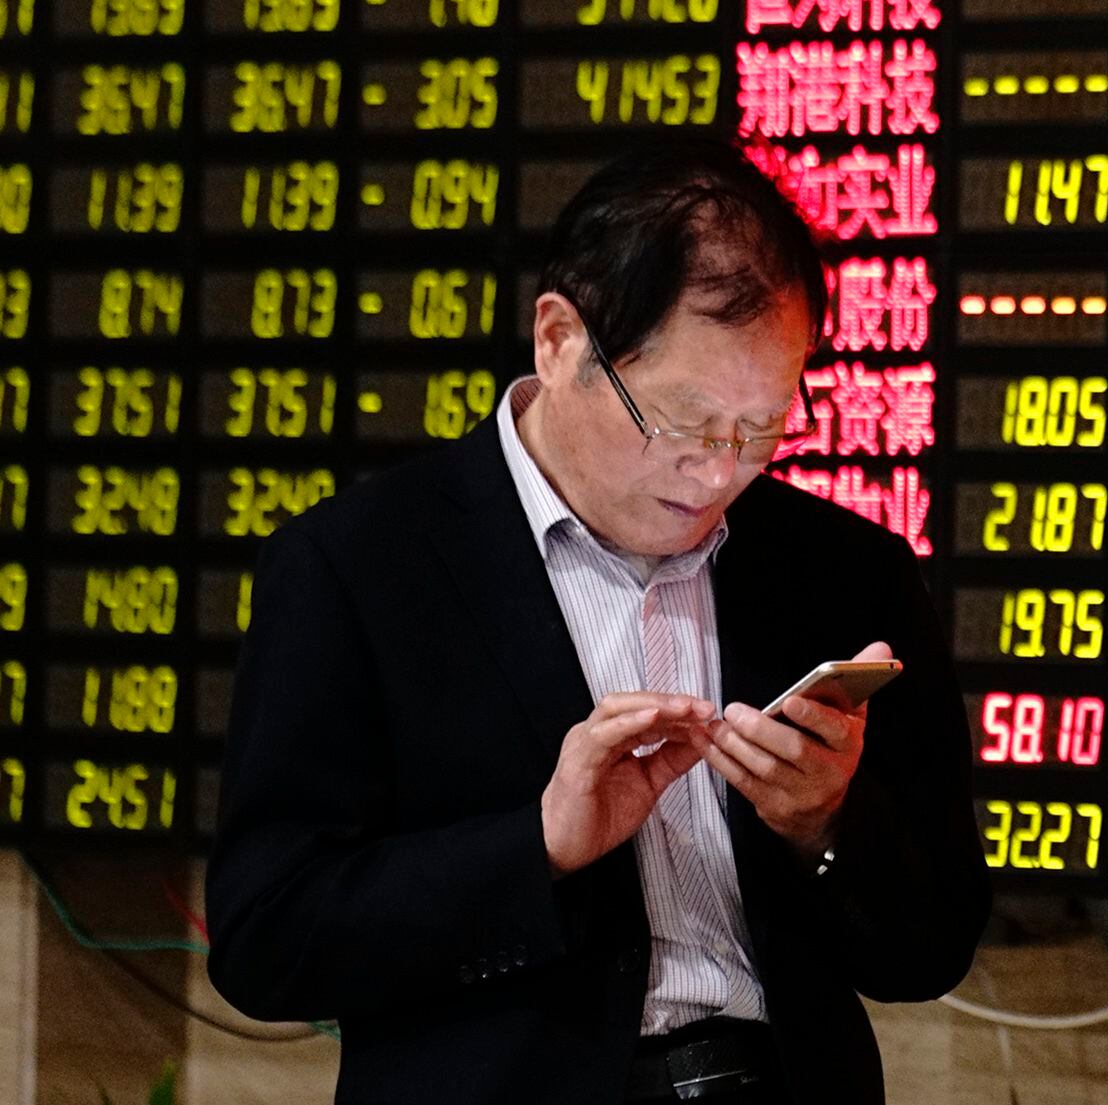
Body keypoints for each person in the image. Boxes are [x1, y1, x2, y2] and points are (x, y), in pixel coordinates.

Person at [207, 139, 989, 1103]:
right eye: (682, 421)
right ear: (559, 340)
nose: (717, 471)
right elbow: (266, 938)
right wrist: (536, 844)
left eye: (761, 430)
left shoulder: (842, 570)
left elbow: (932, 948)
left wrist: (822, 824)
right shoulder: (359, 566)